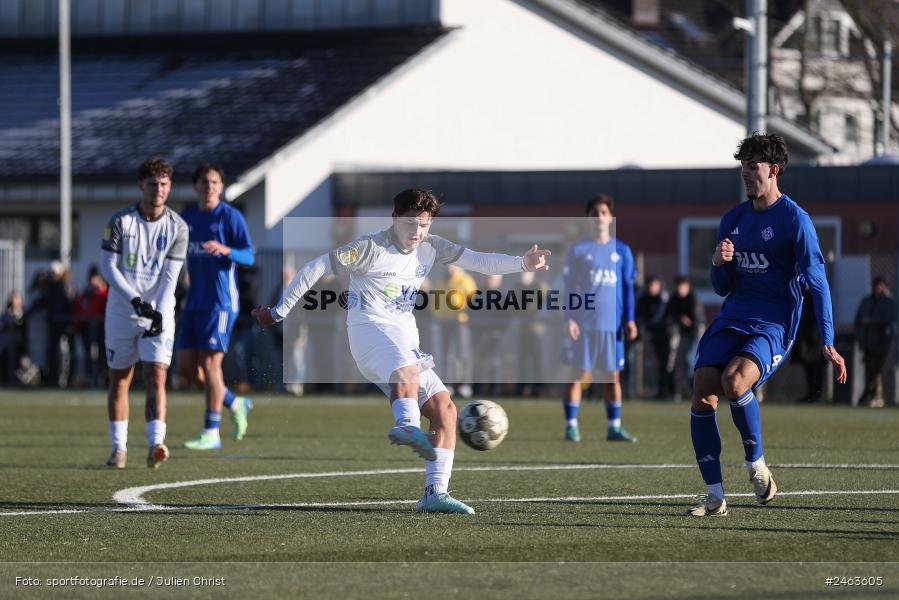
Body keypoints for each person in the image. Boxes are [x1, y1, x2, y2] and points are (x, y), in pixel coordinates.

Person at [252, 188, 550, 514]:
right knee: (406, 370)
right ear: (395, 219)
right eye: (410, 224)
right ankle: (406, 425)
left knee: (445, 409)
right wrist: (279, 312)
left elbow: (478, 261)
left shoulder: (433, 246)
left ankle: (435, 494)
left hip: (403, 338)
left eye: (424, 225)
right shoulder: (370, 247)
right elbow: (314, 267)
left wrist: (523, 263)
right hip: (368, 332)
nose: (417, 233)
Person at [687, 133, 847, 517]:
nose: (745, 173)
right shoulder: (734, 219)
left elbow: (817, 281)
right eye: (742, 166)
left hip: (773, 324)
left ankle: (756, 464)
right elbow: (723, 287)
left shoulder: (795, 220)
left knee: (735, 382)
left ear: (773, 170)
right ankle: (714, 496)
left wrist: (827, 338)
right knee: (703, 390)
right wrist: (718, 262)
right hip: (734, 317)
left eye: (753, 166)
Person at [100, 157, 188, 469]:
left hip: (159, 313)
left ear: (170, 186)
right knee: (120, 379)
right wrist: (136, 301)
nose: (159, 189)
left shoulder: (178, 227)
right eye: (153, 183)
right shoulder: (120, 222)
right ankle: (119, 449)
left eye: (164, 184)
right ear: (141, 186)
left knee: (157, 376)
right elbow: (108, 268)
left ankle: (156, 444)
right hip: (122, 313)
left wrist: (159, 313)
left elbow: (170, 277)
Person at [177, 164, 255, 450]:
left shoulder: (230, 217)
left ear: (221, 187)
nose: (209, 186)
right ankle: (235, 403)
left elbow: (249, 256)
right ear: (196, 186)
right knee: (187, 371)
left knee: (211, 365)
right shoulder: (187, 218)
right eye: (204, 182)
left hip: (221, 303)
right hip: (194, 301)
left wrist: (227, 251)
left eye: (214, 182)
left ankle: (211, 431)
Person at [561, 194, 638, 443]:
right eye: (595, 213)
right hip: (584, 324)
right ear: (588, 219)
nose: (599, 218)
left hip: (612, 326)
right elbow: (569, 288)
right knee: (578, 374)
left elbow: (627, 288)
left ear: (611, 218)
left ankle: (614, 427)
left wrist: (630, 319)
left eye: (604, 213)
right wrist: (569, 318)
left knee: (612, 375)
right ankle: (571, 426)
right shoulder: (578, 250)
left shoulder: (623, 251)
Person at [854, 276, 897, 408]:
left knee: (874, 370)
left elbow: (890, 320)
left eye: (880, 286)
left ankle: (868, 396)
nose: (878, 289)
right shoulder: (867, 302)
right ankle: (874, 397)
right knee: (870, 371)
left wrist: (872, 321)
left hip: (881, 344)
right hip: (867, 343)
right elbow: (858, 320)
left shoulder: (889, 303)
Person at [665, 275, 704, 401]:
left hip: (695, 335)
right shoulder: (673, 299)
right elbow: (669, 316)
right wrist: (679, 319)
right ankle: (676, 392)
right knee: (678, 363)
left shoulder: (693, 299)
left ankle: (695, 392)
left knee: (691, 362)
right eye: (679, 287)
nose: (681, 289)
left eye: (683, 287)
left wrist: (691, 323)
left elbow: (699, 320)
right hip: (680, 335)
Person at [635, 276, 671, 399]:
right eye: (651, 285)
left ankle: (666, 392)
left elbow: (664, 317)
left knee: (666, 363)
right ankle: (633, 390)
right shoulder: (643, 299)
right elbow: (638, 315)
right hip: (648, 333)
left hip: (664, 334)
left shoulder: (664, 299)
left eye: (655, 285)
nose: (653, 288)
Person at [72, 266, 108, 388]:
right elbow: (82, 309)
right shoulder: (86, 294)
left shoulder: (104, 292)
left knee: (103, 355)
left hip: (103, 329)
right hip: (88, 329)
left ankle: (103, 378)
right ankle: (90, 378)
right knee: (90, 355)